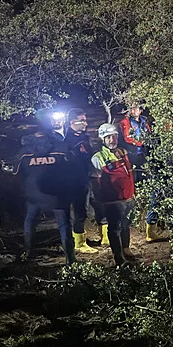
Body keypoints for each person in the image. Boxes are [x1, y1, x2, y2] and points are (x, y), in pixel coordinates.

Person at [12, 132, 75, 266]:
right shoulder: (61, 150)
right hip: (57, 195)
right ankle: (70, 259)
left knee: (30, 221)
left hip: (33, 195)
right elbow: (71, 170)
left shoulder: (24, 153)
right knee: (64, 225)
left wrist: (25, 189)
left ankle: (28, 252)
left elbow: (17, 174)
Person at [91, 123, 137, 266]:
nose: (112, 140)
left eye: (114, 136)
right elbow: (95, 181)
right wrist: (100, 201)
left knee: (126, 225)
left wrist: (133, 193)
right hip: (113, 201)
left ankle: (126, 248)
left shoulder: (123, 152)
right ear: (102, 139)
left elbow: (129, 174)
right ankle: (119, 258)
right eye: (108, 137)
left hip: (128, 197)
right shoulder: (98, 158)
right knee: (115, 229)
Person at [63, 108, 98, 254]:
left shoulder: (83, 137)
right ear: (72, 122)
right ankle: (79, 242)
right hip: (75, 180)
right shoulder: (68, 140)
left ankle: (87, 238)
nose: (85, 123)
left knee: (92, 206)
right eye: (81, 120)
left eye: (85, 120)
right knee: (79, 210)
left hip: (86, 177)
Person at [118, 103, 151, 179]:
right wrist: (141, 142)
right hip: (132, 153)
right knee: (133, 175)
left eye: (135, 109)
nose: (132, 111)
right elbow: (127, 138)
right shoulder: (126, 122)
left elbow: (149, 133)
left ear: (140, 111)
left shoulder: (144, 121)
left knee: (144, 174)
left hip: (144, 152)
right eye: (131, 109)